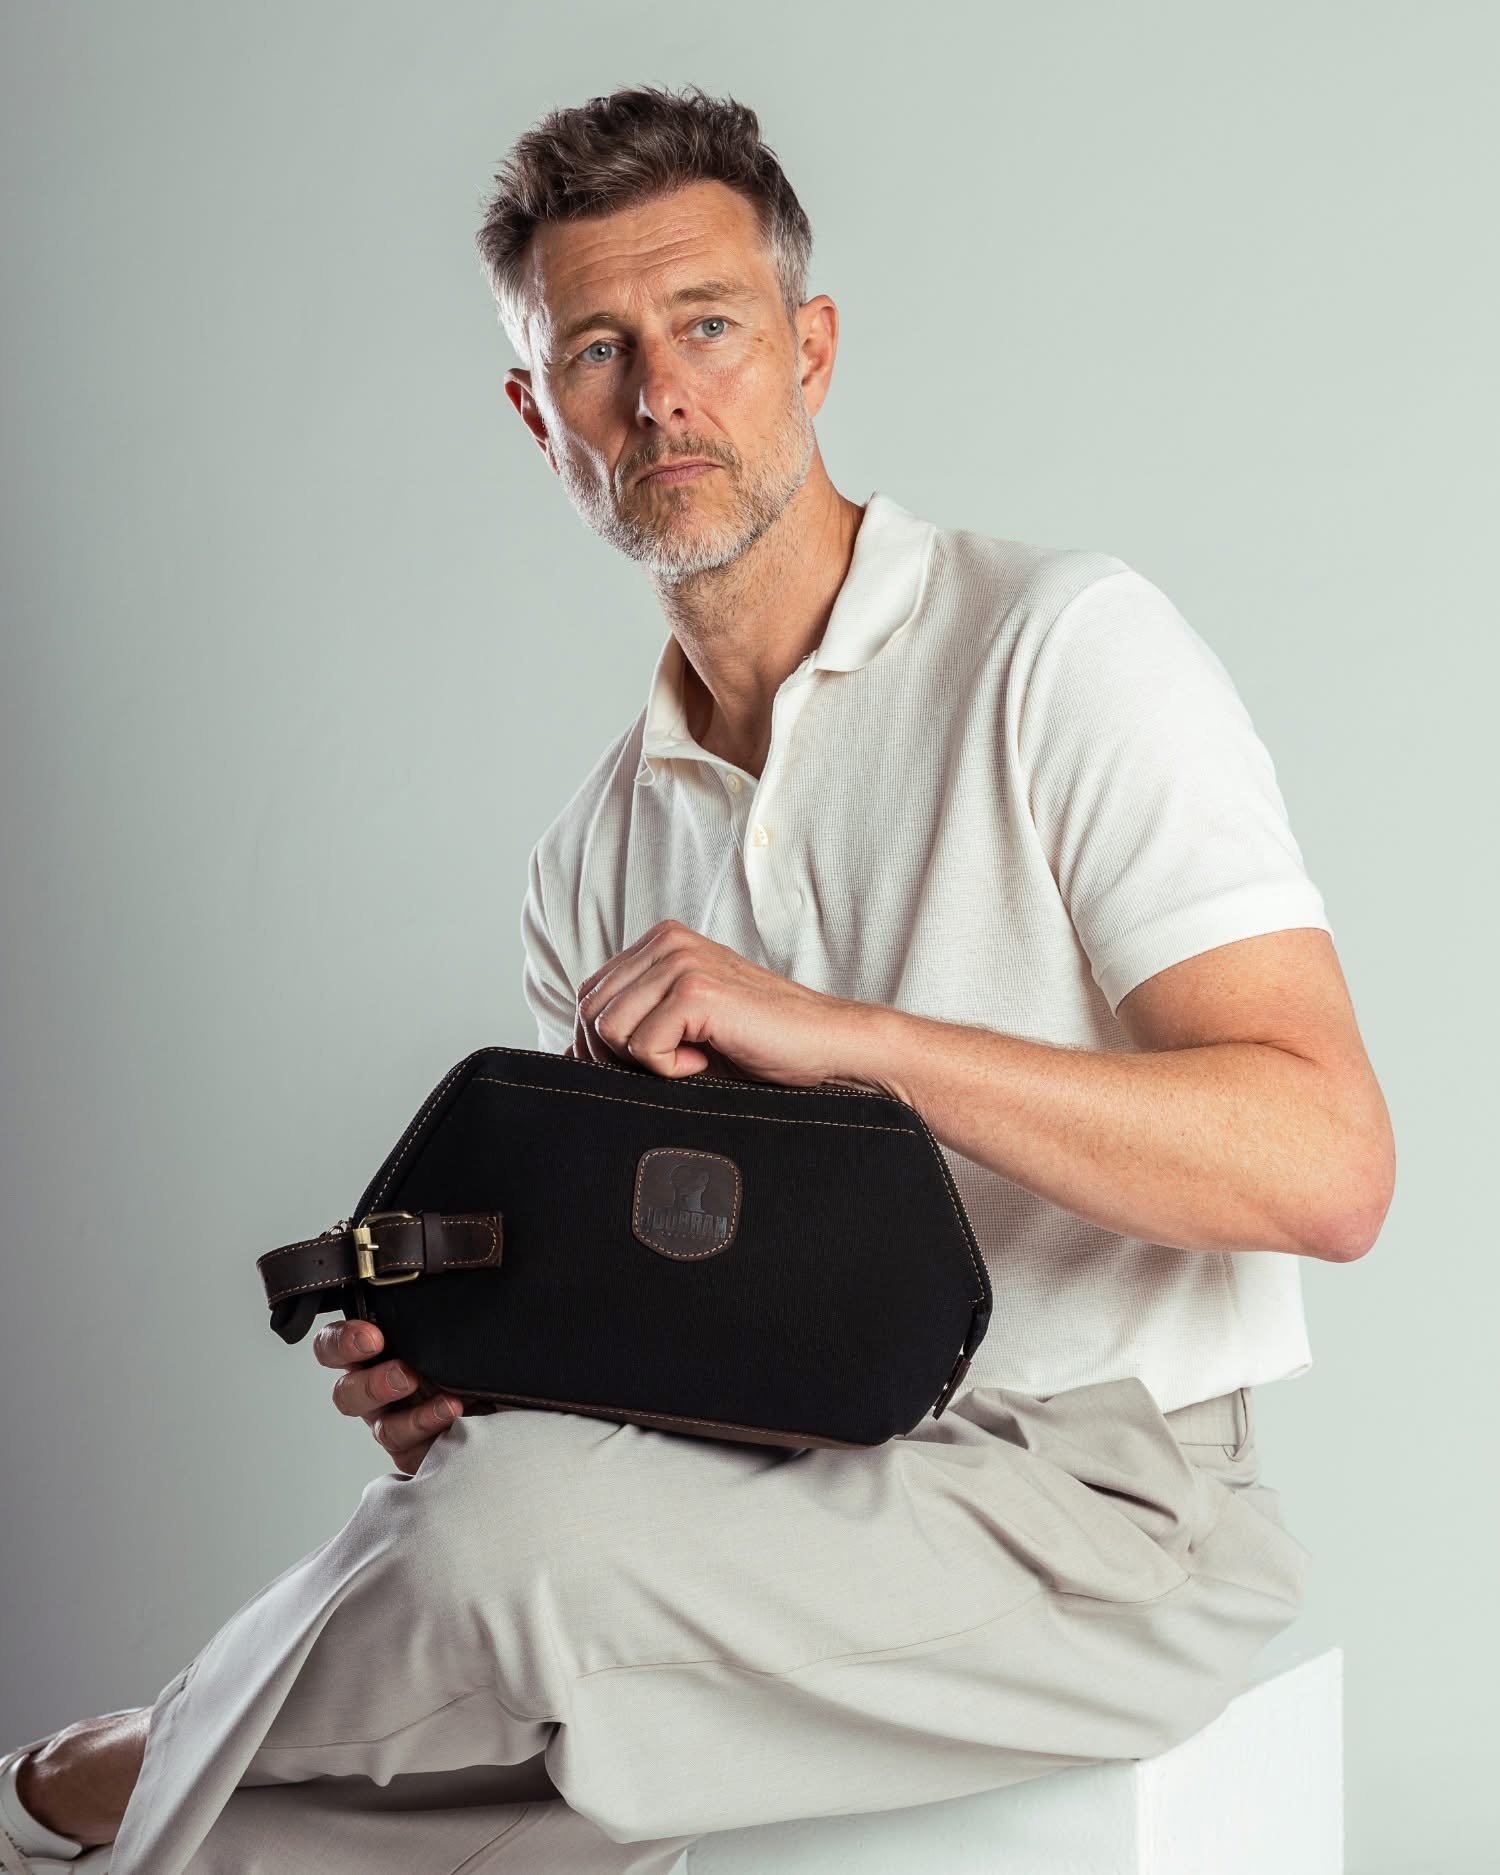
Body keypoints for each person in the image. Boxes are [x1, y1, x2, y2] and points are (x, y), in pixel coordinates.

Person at [0, 81, 1394, 1875]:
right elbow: (666, 1346)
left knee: (496, 1553)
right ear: (541, 417)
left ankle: (95, 1772)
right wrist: (478, 1377)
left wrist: (844, 1044)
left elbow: (1329, 1166)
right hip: (772, 1505)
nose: (661, 393)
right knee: (367, 1775)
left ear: (810, 349)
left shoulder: (1059, 650)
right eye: (597, 351)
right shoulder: (589, 859)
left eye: (710, 325)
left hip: (1111, 1513)